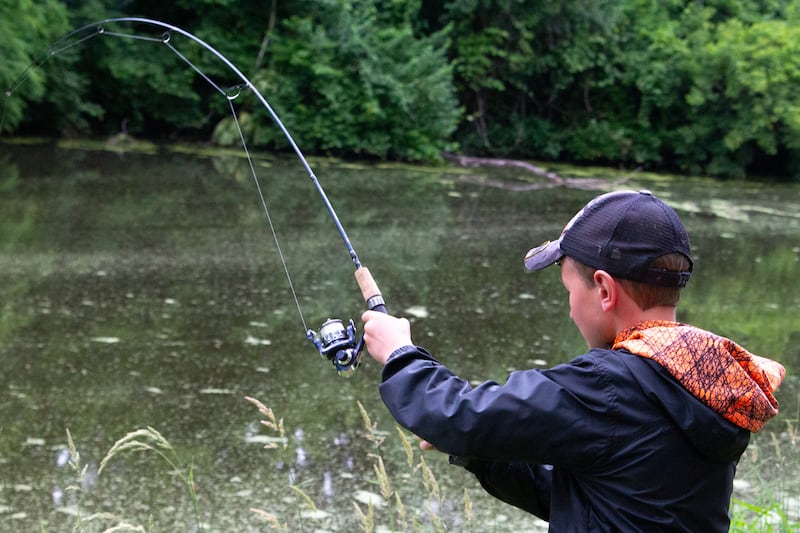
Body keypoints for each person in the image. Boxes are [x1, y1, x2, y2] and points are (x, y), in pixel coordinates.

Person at [361, 189, 785, 532]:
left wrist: (400, 353)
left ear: (603, 290)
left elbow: (459, 415)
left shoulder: (611, 386)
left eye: (568, 291)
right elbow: (593, 502)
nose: (568, 309)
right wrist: (483, 454)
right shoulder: (702, 384)